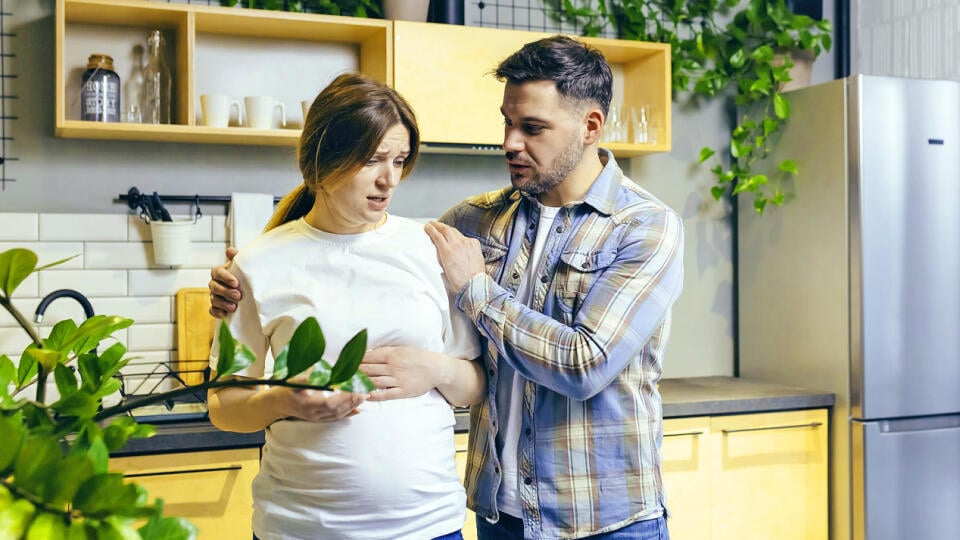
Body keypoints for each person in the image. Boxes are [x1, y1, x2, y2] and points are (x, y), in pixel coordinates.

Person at [211, 36, 684, 540]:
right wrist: (239, 281)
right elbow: (349, 254)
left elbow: (584, 364)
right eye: (507, 121)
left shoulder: (645, 227)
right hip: (499, 512)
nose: (509, 142)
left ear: (591, 126)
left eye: (532, 128)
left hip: (600, 516)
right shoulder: (471, 223)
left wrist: (466, 307)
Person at [206, 72, 484, 540]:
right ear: (324, 160)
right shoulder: (257, 263)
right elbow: (224, 405)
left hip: (428, 527)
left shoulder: (432, 249)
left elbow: (476, 384)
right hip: (298, 528)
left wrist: (434, 370)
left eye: (399, 160)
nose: (389, 179)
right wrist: (284, 400)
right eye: (372, 160)